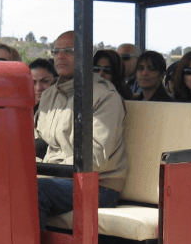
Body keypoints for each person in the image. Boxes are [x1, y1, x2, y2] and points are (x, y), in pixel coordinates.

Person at [35, 31, 128, 229]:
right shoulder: (49, 95)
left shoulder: (105, 97)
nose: (60, 56)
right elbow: (36, 141)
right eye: (56, 51)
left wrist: (48, 168)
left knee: (34, 190)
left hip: (98, 185)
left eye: (69, 51)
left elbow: (95, 158)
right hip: (56, 177)